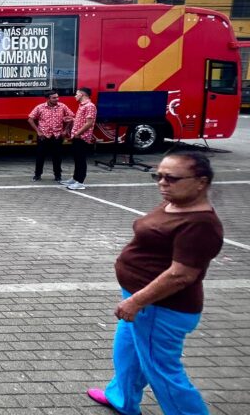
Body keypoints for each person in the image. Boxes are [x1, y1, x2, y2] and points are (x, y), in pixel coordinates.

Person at [86, 151, 224, 415]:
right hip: (142, 300)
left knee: (163, 372)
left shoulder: (200, 224)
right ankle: (122, 398)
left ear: (201, 182)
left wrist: (137, 301)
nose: (162, 183)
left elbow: (182, 275)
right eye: (158, 176)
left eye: (171, 178)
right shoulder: (176, 203)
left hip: (160, 307)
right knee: (128, 354)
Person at [27, 91, 75, 182]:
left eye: (57, 97)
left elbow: (72, 117)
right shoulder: (40, 107)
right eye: (54, 98)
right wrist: (38, 131)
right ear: (48, 98)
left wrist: (66, 130)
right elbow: (30, 119)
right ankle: (37, 175)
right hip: (43, 136)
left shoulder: (62, 106)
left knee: (57, 157)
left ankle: (58, 175)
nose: (57, 99)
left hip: (57, 136)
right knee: (40, 156)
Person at [61, 87, 97, 191]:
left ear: (82, 94)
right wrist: (73, 119)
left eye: (77, 94)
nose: (75, 96)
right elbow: (82, 120)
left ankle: (80, 182)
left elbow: (89, 123)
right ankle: (75, 178)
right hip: (77, 136)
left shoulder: (90, 106)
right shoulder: (82, 106)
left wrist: (78, 133)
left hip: (82, 137)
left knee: (81, 159)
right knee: (76, 158)